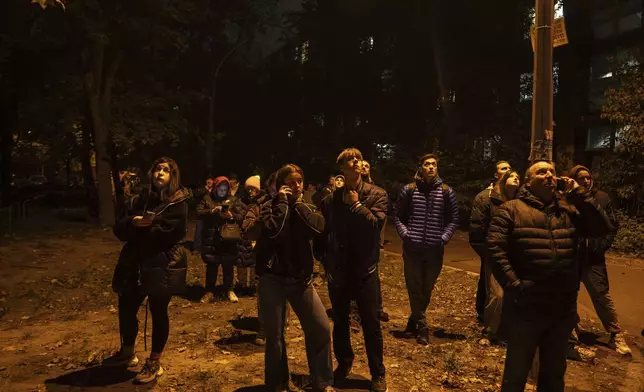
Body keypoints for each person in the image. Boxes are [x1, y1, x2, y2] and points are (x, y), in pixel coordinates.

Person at [487, 160, 613, 392]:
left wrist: (578, 193)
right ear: (528, 181)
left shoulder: (568, 209)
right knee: (516, 375)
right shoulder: (511, 209)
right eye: (541, 171)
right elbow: (495, 250)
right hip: (526, 306)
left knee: (554, 376)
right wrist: (515, 284)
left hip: (561, 308)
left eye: (552, 172)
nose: (549, 175)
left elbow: (601, 228)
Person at [104, 157, 190, 384]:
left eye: (166, 170)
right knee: (126, 306)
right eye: (157, 169)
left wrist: (148, 227)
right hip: (134, 262)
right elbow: (119, 227)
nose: (160, 173)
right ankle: (127, 352)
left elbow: (174, 232)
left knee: (159, 311)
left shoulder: (178, 201)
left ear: (173, 175)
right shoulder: (140, 198)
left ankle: (154, 361)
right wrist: (133, 222)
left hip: (161, 263)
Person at [252, 164, 334, 392]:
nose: (295, 185)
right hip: (272, 279)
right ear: (280, 186)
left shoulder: (306, 206)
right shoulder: (269, 207)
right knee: (275, 336)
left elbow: (319, 229)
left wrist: (297, 205)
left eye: (298, 180)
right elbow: (273, 233)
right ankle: (278, 384)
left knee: (320, 328)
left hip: (301, 280)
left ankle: (322, 381)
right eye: (289, 181)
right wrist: (282, 205)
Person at [315, 148, 389, 392]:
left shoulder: (377, 194)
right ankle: (344, 363)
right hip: (339, 271)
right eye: (350, 159)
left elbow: (375, 225)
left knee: (371, 323)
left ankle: (378, 373)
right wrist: (326, 263)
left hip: (365, 270)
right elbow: (323, 233)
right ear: (342, 168)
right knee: (341, 322)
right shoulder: (331, 199)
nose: (356, 161)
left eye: (358, 158)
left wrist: (357, 205)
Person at [392, 153, 459, 345]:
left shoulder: (447, 192)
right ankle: (422, 327)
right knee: (414, 287)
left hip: (434, 249)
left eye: (434, 164)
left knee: (426, 288)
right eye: (427, 164)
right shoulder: (409, 190)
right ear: (420, 167)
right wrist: (406, 234)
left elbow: (454, 219)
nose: (431, 167)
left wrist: (443, 238)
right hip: (412, 248)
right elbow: (397, 216)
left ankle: (413, 320)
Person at [568, 165, 631, 356]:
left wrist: (602, 245)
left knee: (601, 295)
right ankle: (570, 329)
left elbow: (612, 225)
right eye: (580, 178)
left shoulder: (602, 198)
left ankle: (615, 334)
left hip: (593, 257)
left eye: (587, 177)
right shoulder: (568, 198)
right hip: (571, 255)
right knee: (568, 294)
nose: (585, 181)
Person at [469, 170, 520, 342]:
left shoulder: (522, 202)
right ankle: (490, 330)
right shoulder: (489, 200)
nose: (515, 178)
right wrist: (487, 254)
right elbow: (478, 229)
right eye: (511, 176)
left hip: (517, 256)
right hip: (496, 254)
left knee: (513, 294)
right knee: (497, 295)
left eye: (518, 176)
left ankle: (506, 331)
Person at [198, 176, 245, 303]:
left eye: (225, 188)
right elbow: (199, 212)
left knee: (228, 266)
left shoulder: (234, 200)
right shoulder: (207, 199)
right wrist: (211, 211)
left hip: (228, 239)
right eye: (220, 188)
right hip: (211, 238)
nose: (222, 191)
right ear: (215, 187)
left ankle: (229, 290)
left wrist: (231, 216)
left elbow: (242, 216)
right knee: (212, 266)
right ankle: (209, 291)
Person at [360, 160, 389, 322]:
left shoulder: (377, 192)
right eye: (361, 165)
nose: (364, 167)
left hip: (372, 240)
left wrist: (380, 241)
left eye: (367, 166)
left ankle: (377, 308)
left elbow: (380, 220)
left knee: (373, 275)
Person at [237, 175, 263, 293]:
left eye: (253, 189)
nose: (250, 192)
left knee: (255, 260)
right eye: (248, 189)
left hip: (256, 234)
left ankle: (255, 284)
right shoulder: (242, 201)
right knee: (242, 258)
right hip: (244, 234)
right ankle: (242, 284)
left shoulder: (261, 203)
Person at [192, 177, 214, 254]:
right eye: (208, 181)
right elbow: (196, 194)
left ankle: (206, 247)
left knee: (208, 231)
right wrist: (206, 188)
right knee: (199, 230)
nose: (209, 183)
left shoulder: (214, 190)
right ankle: (197, 248)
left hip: (210, 211)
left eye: (211, 181)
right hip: (201, 211)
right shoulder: (202, 188)